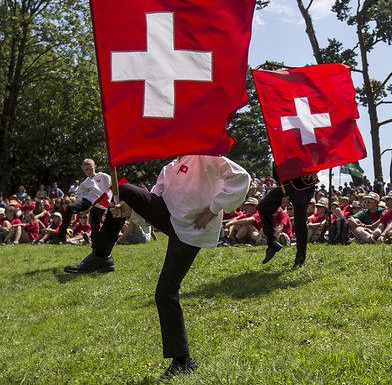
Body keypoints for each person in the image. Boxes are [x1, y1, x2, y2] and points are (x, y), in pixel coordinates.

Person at [107, 155, 250, 380]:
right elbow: (154, 207)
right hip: (172, 223)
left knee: (165, 292)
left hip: (192, 230)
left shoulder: (205, 157)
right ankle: (101, 254)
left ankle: (183, 361)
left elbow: (242, 178)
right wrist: (129, 212)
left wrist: (213, 209)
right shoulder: (168, 169)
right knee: (125, 191)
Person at [258, 164, 318, 268]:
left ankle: (300, 258)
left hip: (304, 184)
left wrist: (315, 169)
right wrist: (285, 194)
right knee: (263, 207)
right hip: (286, 184)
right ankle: (272, 244)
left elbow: (318, 152)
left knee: (300, 219)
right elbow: (277, 170)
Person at [55, 159, 113, 249]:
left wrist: (112, 201)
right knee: (70, 207)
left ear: (94, 167)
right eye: (86, 170)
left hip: (102, 204)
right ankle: (61, 236)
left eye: (90, 169)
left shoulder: (103, 176)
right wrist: (83, 209)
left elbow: (113, 188)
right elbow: (80, 197)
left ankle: (96, 247)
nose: (88, 171)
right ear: (83, 169)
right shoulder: (84, 184)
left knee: (95, 228)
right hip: (89, 202)